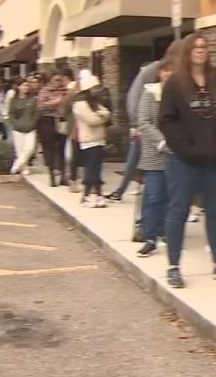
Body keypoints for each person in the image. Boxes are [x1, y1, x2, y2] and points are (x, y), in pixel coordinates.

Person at [158, 33, 216, 288]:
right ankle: (173, 266)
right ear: (186, 52)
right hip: (183, 161)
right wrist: (185, 148)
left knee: (215, 213)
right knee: (178, 210)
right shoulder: (175, 83)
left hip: (214, 161)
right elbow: (166, 120)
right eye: (195, 47)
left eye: (204, 46)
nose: (200, 50)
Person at [135, 57, 175, 257]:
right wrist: (162, 142)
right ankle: (150, 237)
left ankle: (167, 232)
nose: (169, 73)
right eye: (166, 70)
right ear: (160, 72)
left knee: (172, 197)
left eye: (173, 70)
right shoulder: (150, 92)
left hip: (177, 154)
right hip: (155, 153)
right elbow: (143, 122)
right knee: (153, 196)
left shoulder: (181, 94)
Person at [107, 61, 160, 202]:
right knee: (142, 162)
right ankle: (123, 191)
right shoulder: (149, 85)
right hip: (144, 130)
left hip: (143, 129)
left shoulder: (148, 84)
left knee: (138, 162)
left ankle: (121, 191)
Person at [73, 69, 111, 207]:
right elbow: (92, 120)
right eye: (95, 88)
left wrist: (101, 115)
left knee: (97, 169)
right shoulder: (80, 104)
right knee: (91, 169)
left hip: (99, 139)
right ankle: (88, 195)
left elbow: (107, 113)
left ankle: (97, 194)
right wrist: (102, 116)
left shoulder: (94, 103)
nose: (97, 91)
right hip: (89, 140)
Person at [36, 68, 72, 187]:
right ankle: (51, 174)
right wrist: (55, 102)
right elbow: (40, 105)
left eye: (60, 80)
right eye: (56, 80)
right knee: (49, 148)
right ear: (51, 80)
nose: (59, 82)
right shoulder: (45, 91)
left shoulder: (66, 91)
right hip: (48, 120)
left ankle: (63, 176)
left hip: (62, 120)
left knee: (62, 149)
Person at [8, 79, 38, 176]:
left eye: (27, 85)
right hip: (18, 129)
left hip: (30, 128)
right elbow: (10, 114)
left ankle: (16, 165)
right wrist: (15, 124)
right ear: (18, 87)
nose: (26, 87)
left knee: (29, 148)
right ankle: (24, 168)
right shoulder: (13, 100)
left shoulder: (32, 100)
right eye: (24, 85)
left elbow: (36, 113)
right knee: (20, 150)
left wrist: (33, 123)